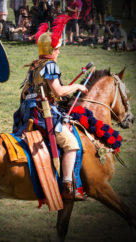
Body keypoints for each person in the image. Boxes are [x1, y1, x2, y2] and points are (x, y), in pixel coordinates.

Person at [13, 15, 87, 200]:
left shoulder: (34, 66)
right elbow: (58, 90)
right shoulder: (50, 65)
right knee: (71, 144)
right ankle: (68, 187)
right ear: (52, 49)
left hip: (28, 110)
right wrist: (77, 87)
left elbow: (26, 93)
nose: (59, 52)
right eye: (58, 49)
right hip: (41, 112)